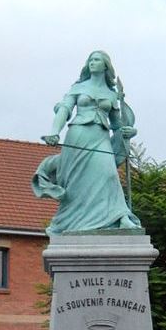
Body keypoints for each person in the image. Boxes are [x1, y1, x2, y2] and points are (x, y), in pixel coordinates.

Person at [32, 50, 142, 234]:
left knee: (109, 174)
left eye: (97, 60)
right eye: (90, 60)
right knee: (76, 181)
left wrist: (129, 131)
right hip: (78, 135)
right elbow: (64, 110)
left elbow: (117, 126)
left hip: (100, 138)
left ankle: (121, 217)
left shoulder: (112, 95)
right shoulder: (78, 88)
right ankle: (65, 223)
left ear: (105, 65)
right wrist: (54, 132)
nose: (92, 62)